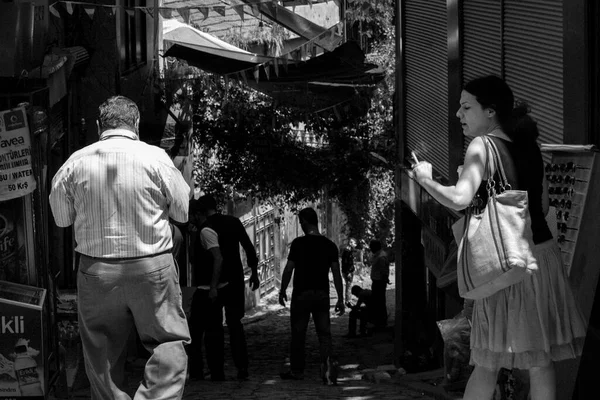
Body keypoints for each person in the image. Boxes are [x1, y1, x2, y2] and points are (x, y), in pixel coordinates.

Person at [411, 75, 587, 400]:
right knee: (540, 361)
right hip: (541, 258)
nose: (458, 115)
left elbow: (460, 199)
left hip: (504, 267)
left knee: (488, 362)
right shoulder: (529, 147)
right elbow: (545, 205)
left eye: (466, 107)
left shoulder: (482, 145)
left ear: (490, 112)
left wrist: (425, 179)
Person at [49, 95, 191, 400]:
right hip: (153, 269)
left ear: (100, 126)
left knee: (101, 353)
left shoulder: (75, 162)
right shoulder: (156, 158)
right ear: (136, 124)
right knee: (167, 342)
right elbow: (182, 213)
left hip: (97, 272)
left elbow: (61, 219)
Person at [195, 194, 259, 380]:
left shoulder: (205, 228)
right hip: (235, 280)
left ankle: (217, 371)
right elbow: (248, 247)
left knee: (213, 327)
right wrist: (254, 272)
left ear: (203, 211)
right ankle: (242, 367)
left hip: (212, 283)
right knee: (235, 325)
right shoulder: (233, 222)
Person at [278, 207, 345, 380]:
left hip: (301, 294)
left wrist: (283, 289)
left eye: (300, 222)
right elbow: (336, 273)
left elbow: (289, 269)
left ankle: (297, 371)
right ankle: (328, 372)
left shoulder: (298, 244)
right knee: (324, 334)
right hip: (322, 294)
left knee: (298, 334)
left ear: (306, 222)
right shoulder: (329, 245)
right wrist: (340, 298)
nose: (300, 225)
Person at [187, 198, 228, 381]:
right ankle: (208, 371)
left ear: (197, 214)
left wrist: (212, 287)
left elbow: (218, 258)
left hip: (207, 291)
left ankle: (207, 371)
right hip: (206, 289)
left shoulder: (206, 231)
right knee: (206, 333)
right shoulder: (201, 232)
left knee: (203, 334)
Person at [369, 239, 390, 328]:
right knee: (378, 301)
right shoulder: (378, 255)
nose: (370, 249)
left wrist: (384, 280)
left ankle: (381, 322)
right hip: (377, 281)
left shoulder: (381, 257)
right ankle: (379, 321)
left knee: (379, 302)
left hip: (379, 282)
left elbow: (384, 271)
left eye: (371, 247)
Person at [340, 237, 357, 307]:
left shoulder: (349, 250)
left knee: (349, 285)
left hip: (347, 271)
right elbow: (346, 262)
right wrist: (348, 272)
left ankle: (349, 300)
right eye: (353, 243)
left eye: (353, 242)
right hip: (348, 271)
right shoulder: (347, 251)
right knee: (348, 286)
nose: (355, 244)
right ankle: (348, 301)